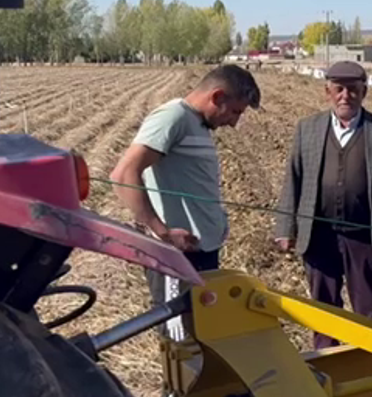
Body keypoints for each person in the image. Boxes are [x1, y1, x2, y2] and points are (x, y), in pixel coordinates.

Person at [109, 64, 261, 350]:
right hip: (177, 259)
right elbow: (123, 175)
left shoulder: (195, 125)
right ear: (217, 96)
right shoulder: (173, 117)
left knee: (202, 340)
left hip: (201, 255)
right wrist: (163, 233)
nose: (234, 122)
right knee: (181, 348)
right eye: (235, 112)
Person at [275, 60, 372, 348]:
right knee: (323, 309)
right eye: (339, 89)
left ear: (364, 92)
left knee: (370, 310)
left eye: (353, 90)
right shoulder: (308, 129)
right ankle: (327, 368)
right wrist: (285, 227)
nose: (345, 96)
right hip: (319, 234)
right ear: (327, 92)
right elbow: (294, 178)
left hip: (365, 236)